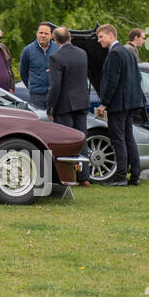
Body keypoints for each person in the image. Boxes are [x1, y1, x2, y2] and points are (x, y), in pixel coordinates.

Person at [95, 23, 144, 186]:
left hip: (118, 104)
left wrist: (104, 104)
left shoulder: (115, 53)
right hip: (130, 103)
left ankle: (121, 177)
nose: (99, 41)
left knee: (118, 139)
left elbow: (112, 81)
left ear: (111, 35)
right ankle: (135, 175)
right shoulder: (127, 52)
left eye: (101, 37)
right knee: (128, 138)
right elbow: (137, 77)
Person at [45, 26, 91, 185]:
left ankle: (66, 176)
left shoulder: (56, 57)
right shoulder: (82, 53)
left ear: (55, 40)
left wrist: (50, 107)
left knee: (65, 141)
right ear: (70, 37)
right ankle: (84, 177)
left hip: (65, 104)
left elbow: (56, 85)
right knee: (82, 139)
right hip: (82, 101)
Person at [19, 22, 58, 108]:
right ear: (36, 33)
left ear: (51, 35)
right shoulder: (27, 50)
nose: (43, 35)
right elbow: (23, 73)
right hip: (36, 95)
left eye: (46, 33)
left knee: (54, 120)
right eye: (41, 33)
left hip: (54, 94)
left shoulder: (58, 48)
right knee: (39, 120)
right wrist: (32, 86)